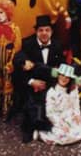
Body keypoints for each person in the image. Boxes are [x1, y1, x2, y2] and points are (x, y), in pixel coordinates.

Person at [13, 15, 64, 143]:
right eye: (41, 30)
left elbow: (61, 65)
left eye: (47, 30)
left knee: (51, 100)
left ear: (51, 31)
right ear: (36, 31)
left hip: (50, 81)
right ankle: (28, 129)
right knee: (30, 102)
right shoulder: (27, 43)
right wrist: (32, 82)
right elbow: (17, 59)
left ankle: (46, 126)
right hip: (33, 80)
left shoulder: (57, 44)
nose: (44, 33)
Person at [37, 63, 81, 145]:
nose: (64, 79)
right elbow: (50, 113)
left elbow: (76, 103)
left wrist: (77, 115)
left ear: (70, 79)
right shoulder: (52, 92)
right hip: (57, 118)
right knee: (63, 134)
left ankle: (73, 134)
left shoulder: (73, 89)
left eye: (67, 77)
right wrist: (61, 124)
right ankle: (49, 135)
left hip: (70, 116)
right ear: (58, 75)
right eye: (62, 75)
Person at [0, 0, 21, 120]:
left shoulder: (15, 28)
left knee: (7, 84)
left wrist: (11, 62)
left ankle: (6, 109)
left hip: (7, 60)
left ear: (8, 12)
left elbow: (17, 47)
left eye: (1, 12)